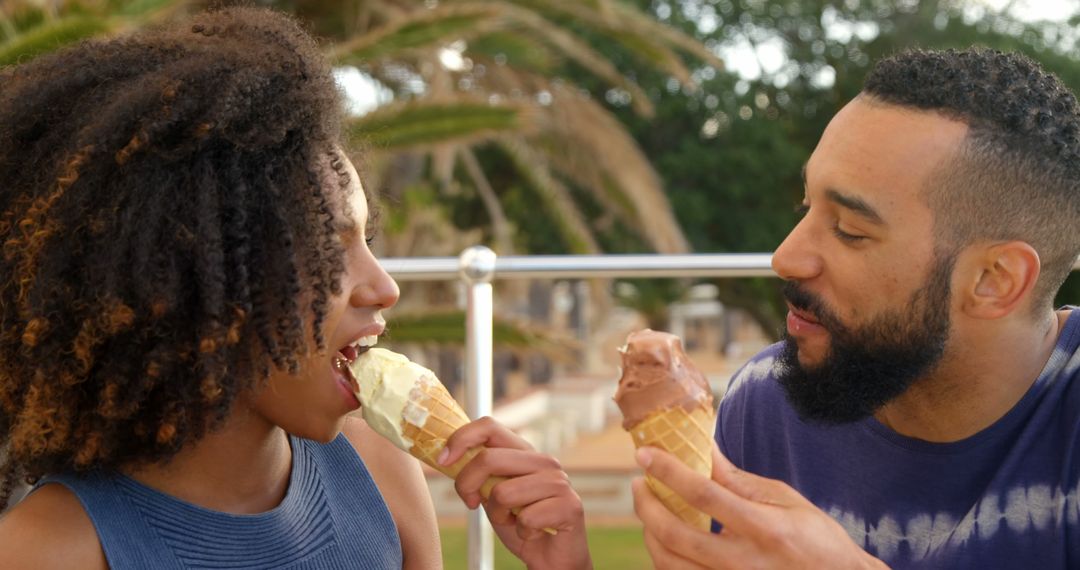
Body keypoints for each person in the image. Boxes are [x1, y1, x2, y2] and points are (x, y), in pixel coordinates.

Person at [0, 8, 591, 569]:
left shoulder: (381, 473)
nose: (383, 288)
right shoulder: (48, 549)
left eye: (367, 241)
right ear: (186, 280)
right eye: (325, 249)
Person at [633, 48, 1080, 568]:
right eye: (806, 206)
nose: (786, 257)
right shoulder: (766, 402)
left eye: (850, 231)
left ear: (993, 281)